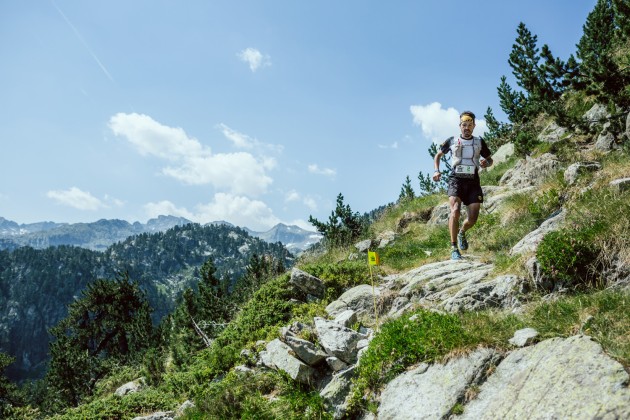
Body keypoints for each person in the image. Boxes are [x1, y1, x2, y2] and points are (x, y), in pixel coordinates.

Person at [432, 111, 493, 260]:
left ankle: (461, 232)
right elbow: (438, 155)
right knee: (455, 211)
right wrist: (436, 171)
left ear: (474, 126)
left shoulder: (479, 142)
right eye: (464, 125)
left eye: (469, 125)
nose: (466, 127)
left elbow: (490, 159)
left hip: (473, 181)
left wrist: (487, 163)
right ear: (460, 126)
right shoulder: (452, 141)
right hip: (456, 180)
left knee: (472, 219)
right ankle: (454, 248)